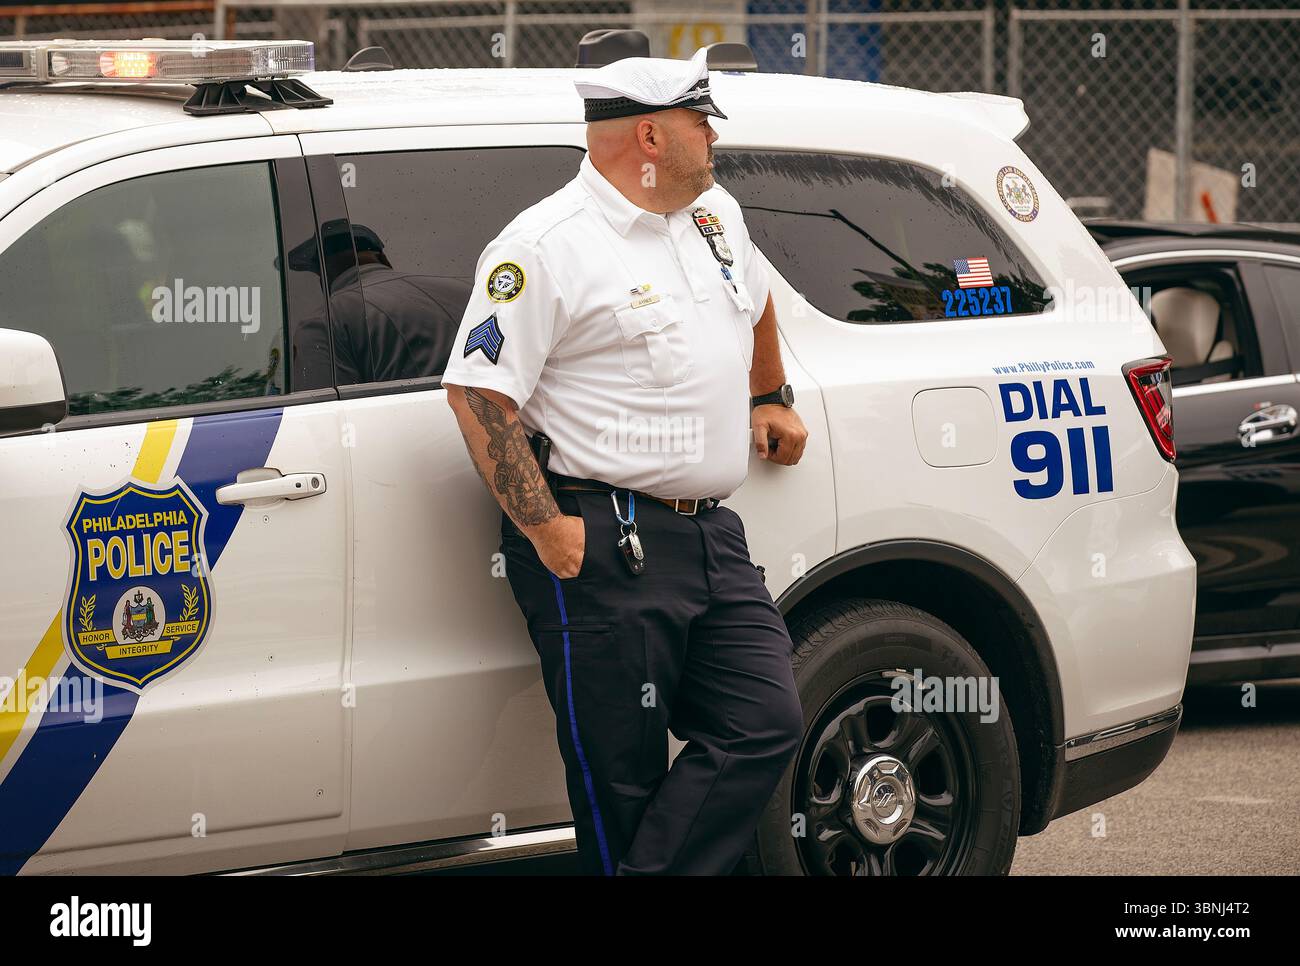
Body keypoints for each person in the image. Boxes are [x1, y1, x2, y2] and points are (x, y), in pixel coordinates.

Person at [442, 47, 809, 875]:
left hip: (711, 536)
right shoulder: (544, 246)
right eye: (700, 122)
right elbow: (476, 396)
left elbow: (753, 297)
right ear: (650, 135)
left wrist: (771, 394)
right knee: (621, 782)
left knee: (766, 721)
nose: (714, 138)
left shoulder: (716, 216)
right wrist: (547, 531)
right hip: (604, 540)